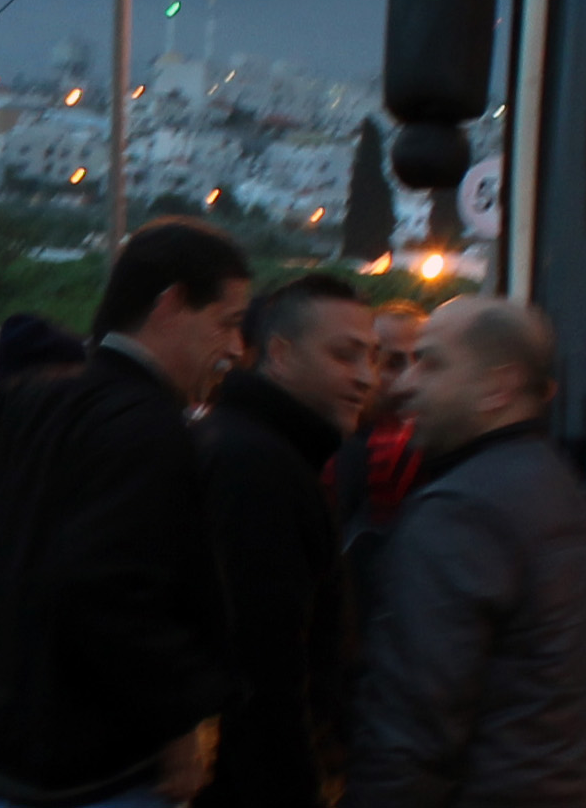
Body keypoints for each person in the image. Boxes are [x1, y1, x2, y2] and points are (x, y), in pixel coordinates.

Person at [0, 219, 251, 808]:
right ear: (172, 303)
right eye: (227, 323)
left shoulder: (21, 403)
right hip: (108, 782)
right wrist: (181, 717)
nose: (236, 348)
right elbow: (101, 588)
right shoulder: (151, 430)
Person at [345, 299, 586, 808]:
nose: (404, 384)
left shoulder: (461, 509)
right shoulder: (557, 489)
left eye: (432, 363)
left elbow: (412, 725)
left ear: (499, 387)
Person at [195, 275, 376, 808]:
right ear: (279, 353)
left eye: (372, 357)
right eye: (346, 357)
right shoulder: (260, 470)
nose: (367, 378)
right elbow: (268, 668)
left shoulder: (252, 447)